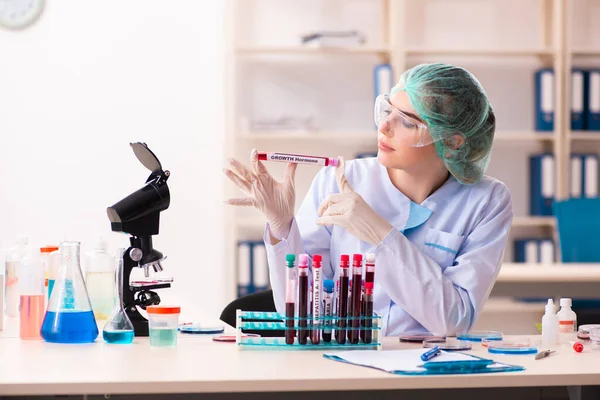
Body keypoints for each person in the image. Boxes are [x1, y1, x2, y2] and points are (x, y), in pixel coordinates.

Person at [223, 63, 512, 336]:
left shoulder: (487, 201)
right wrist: (282, 226)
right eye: (387, 111)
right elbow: (302, 316)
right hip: (342, 360)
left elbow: (453, 320)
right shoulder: (338, 179)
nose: (384, 127)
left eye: (407, 123)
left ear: (451, 141)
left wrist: (377, 231)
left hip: (427, 371)